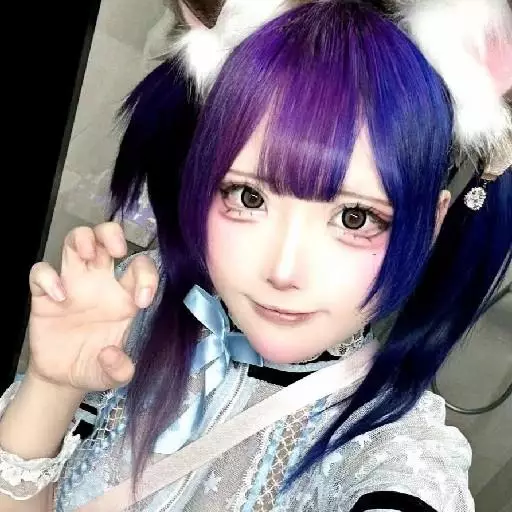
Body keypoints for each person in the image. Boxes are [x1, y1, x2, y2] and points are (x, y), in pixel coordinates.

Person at [1, 1, 511, 511]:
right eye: (248, 197)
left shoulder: (393, 446)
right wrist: (53, 385)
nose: (283, 272)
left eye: (355, 218)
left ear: (431, 224)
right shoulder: (138, 303)